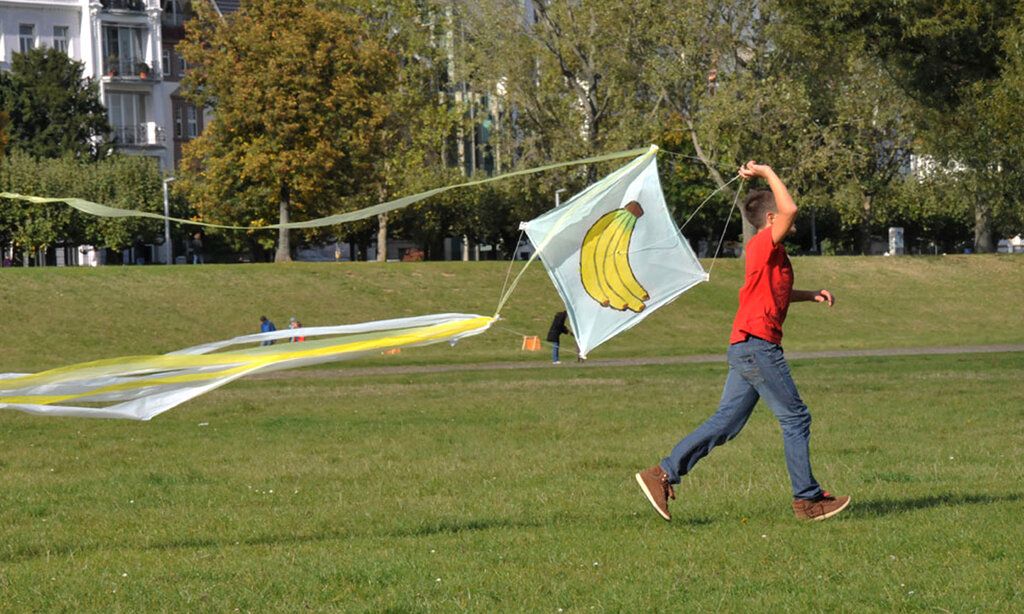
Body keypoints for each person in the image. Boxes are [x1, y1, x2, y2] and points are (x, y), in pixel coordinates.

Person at [635, 160, 850, 522]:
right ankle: (808, 500)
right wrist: (767, 171)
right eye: (781, 215)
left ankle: (662, 474)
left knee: (726, 423)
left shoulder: (774, 253)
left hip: (746, 346)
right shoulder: (764, 243)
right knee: (796, 418)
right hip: (757, 346)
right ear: (771, 220)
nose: (790, 218)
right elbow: (791, 208)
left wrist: (810, 294)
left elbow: (773, 293)